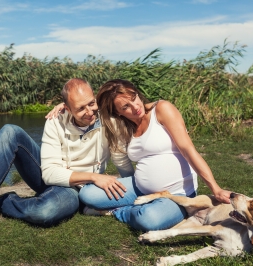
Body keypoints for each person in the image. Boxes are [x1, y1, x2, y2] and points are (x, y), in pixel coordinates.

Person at [0, 78, 134, 242]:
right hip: (51, 177)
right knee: (9, 131)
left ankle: (3, 201)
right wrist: (94, 177)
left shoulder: (109, 122)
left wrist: (135, 188)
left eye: (91, 103)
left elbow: (121, 160)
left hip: (76, 190)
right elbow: (49, 173)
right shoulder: (55, 121)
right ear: (67, 109)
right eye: (80, 108)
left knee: (44, 212)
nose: (89, 112)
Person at [78, 79, 232, 232]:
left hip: (176, 194)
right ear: (117, 112)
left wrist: (215, 189)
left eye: (134, 98)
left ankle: (120, 211)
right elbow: (91, 110)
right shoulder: (123, 126)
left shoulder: (161, 109)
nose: (135, 107)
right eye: (126, 106)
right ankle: (142, 204)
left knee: (149, 219)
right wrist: (64, 107)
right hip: (139, 188)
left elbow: (188, 150)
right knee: (88, 194)